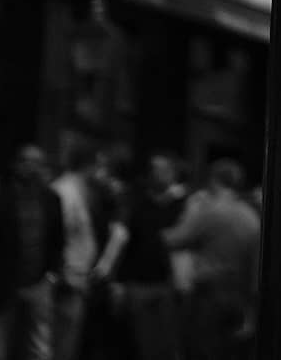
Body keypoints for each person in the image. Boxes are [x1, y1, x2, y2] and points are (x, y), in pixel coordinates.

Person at [164, 159, 261, 360]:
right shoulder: (251, 216)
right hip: (237, 295)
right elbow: (255, 266)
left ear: (214, 181)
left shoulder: (211, 211)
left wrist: (190, 209)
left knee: (201, 350)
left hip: (209, 295)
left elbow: (174, 239)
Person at [95, 153, 186, 360]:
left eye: (163, 169)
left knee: (168, 344)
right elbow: (119, 238)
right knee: (143, 344)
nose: (158, 173)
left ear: (173, 174)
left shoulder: (181, 204)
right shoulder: (137, 201)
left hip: (167, 283)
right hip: (138, 283)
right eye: (154, 169)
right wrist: (109, 271)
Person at [0, 144, 65, 360]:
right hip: (5, 280)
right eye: (26, 161)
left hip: (40, 281)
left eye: (37, 162)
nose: (31, 167)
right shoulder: (1, 197)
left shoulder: (51, 199)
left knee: (39, 346)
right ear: (16, 165)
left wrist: (52, 275)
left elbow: (58, 239)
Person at [51, 139, 101, 360]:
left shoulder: (77, 191)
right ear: (89, 165)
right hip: (68, 280)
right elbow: (56, 237)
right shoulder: (65, 191)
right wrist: (63, 275)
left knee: (67, 342)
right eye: (99, 166)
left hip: (76, 278)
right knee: (61, 344)